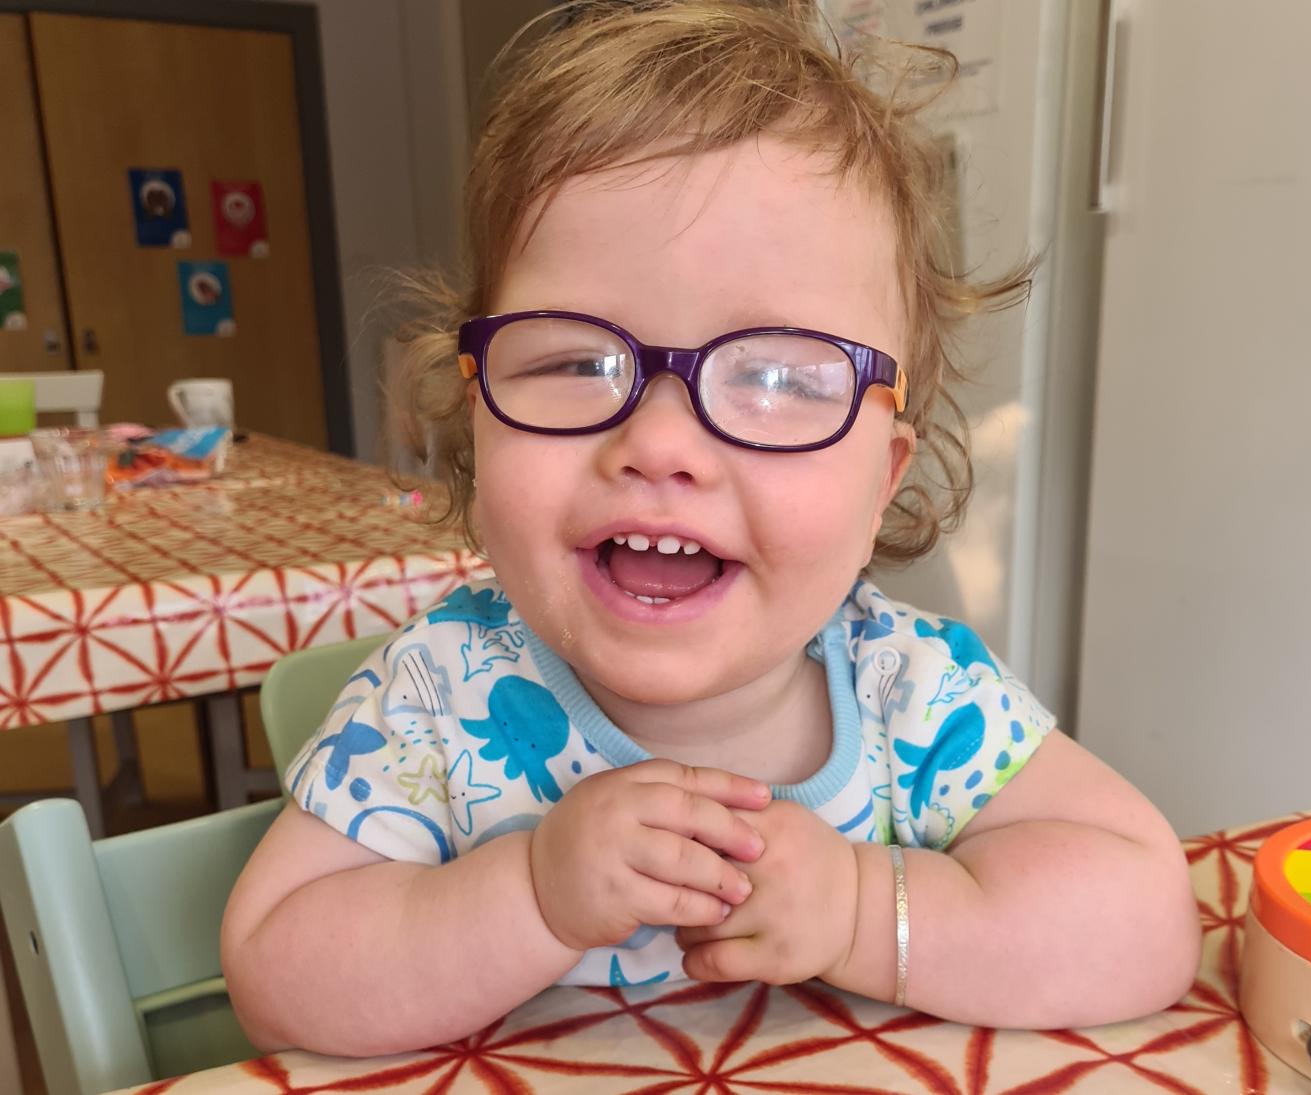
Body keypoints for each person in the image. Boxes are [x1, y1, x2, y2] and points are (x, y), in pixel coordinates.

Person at [221, 0, 1200, 1056]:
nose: (660, 443)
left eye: (777, 377)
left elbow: (1143, 921)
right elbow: (278, 969)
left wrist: (866, 912)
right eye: (572, 360)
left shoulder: (912, 698)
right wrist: (529, 898)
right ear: (474, 413)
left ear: (883, 479)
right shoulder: (438, 700)